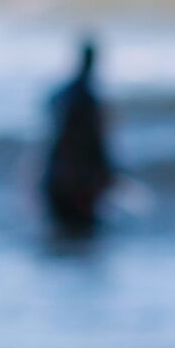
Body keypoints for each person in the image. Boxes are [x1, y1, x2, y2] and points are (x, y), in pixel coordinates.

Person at [41, 35, 113, 236]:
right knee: (83, 235)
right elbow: (95, 141)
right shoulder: (89, 100)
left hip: (56, 177)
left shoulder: (60, 95)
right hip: (77, 182)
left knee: (62, 235)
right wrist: (107, 171)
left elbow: (52, 136)